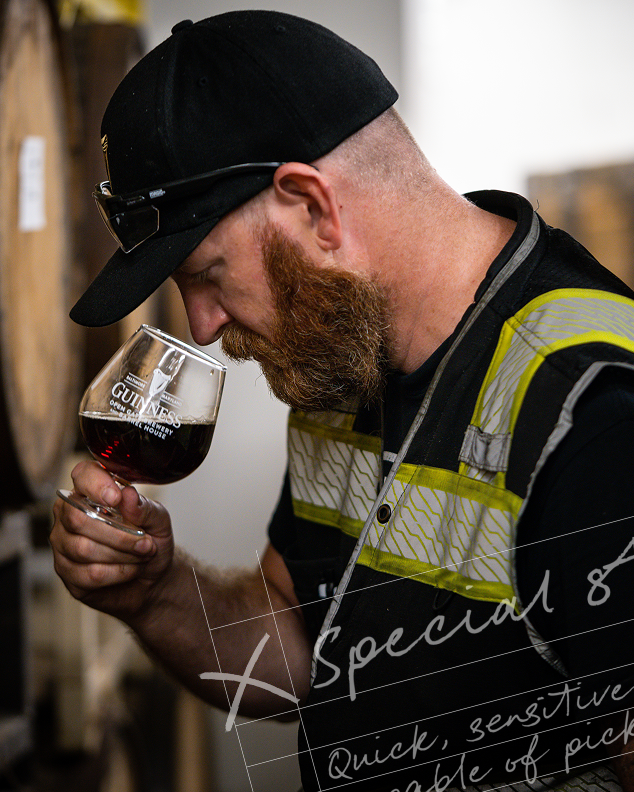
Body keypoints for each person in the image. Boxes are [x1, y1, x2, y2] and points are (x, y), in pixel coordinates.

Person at [50, 10, 634, 792]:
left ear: (312, 207)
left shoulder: (595, 408)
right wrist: (155, 593)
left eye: (207, 274)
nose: (203, 326)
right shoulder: (343, 369)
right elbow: (299, 650)